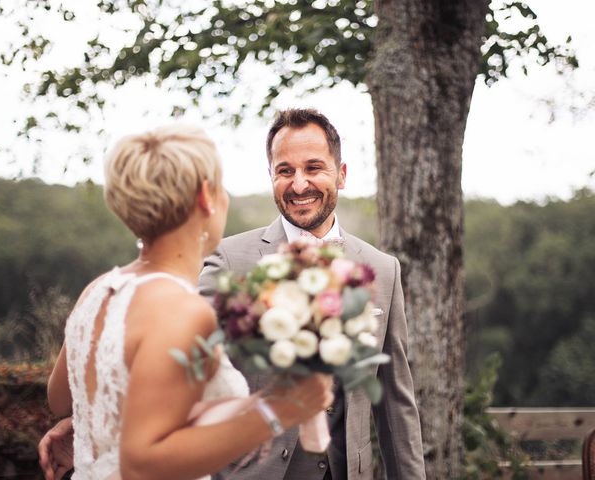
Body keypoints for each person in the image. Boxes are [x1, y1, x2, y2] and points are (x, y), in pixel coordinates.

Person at [41, 124, 334, 480]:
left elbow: (61, 400)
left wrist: (95, 426)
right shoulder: (181, 309)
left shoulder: (100, 290)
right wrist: (278, 411)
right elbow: (141, 463)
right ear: (205, 198)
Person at [197, 109, 426, 479]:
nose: (299, 184)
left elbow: (396, 402)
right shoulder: (228, 260)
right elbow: (188, 371)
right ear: (270, 176)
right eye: (285, 171)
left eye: (314, 168)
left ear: (342, 174)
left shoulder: (383, 270)